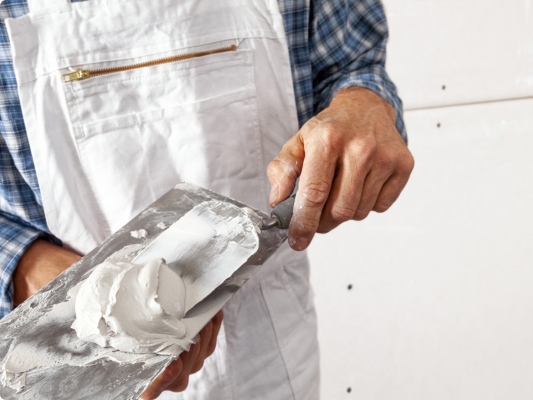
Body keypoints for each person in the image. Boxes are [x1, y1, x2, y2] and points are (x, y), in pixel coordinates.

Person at [0, 0, 414, 398]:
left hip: (269, 349)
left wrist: (365, 104)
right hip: (76, 350)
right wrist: (35, 272)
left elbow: (352, 64)